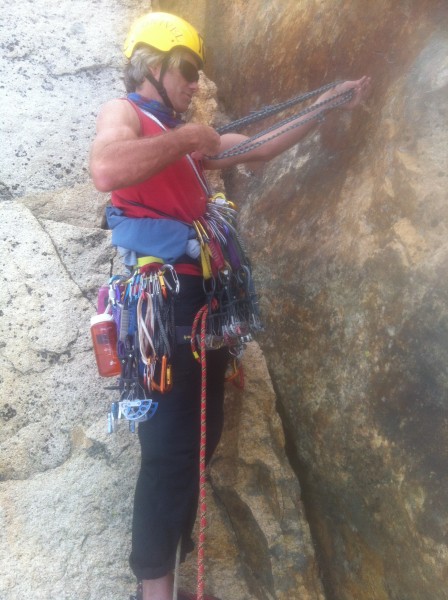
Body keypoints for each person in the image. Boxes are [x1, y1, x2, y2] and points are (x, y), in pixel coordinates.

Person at [89, 11, 371, 600]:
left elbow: (256, 147)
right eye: (187, 70)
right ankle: (156, 592)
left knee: (202, 437)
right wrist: (191, 138)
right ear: (153, 65)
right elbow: (106, 167)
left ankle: (178, 573)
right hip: (163, 305)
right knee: (168, 451)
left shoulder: (178, 138)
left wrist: (325, 107)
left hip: (205, 305)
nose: (195, 84)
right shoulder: (128, 116)